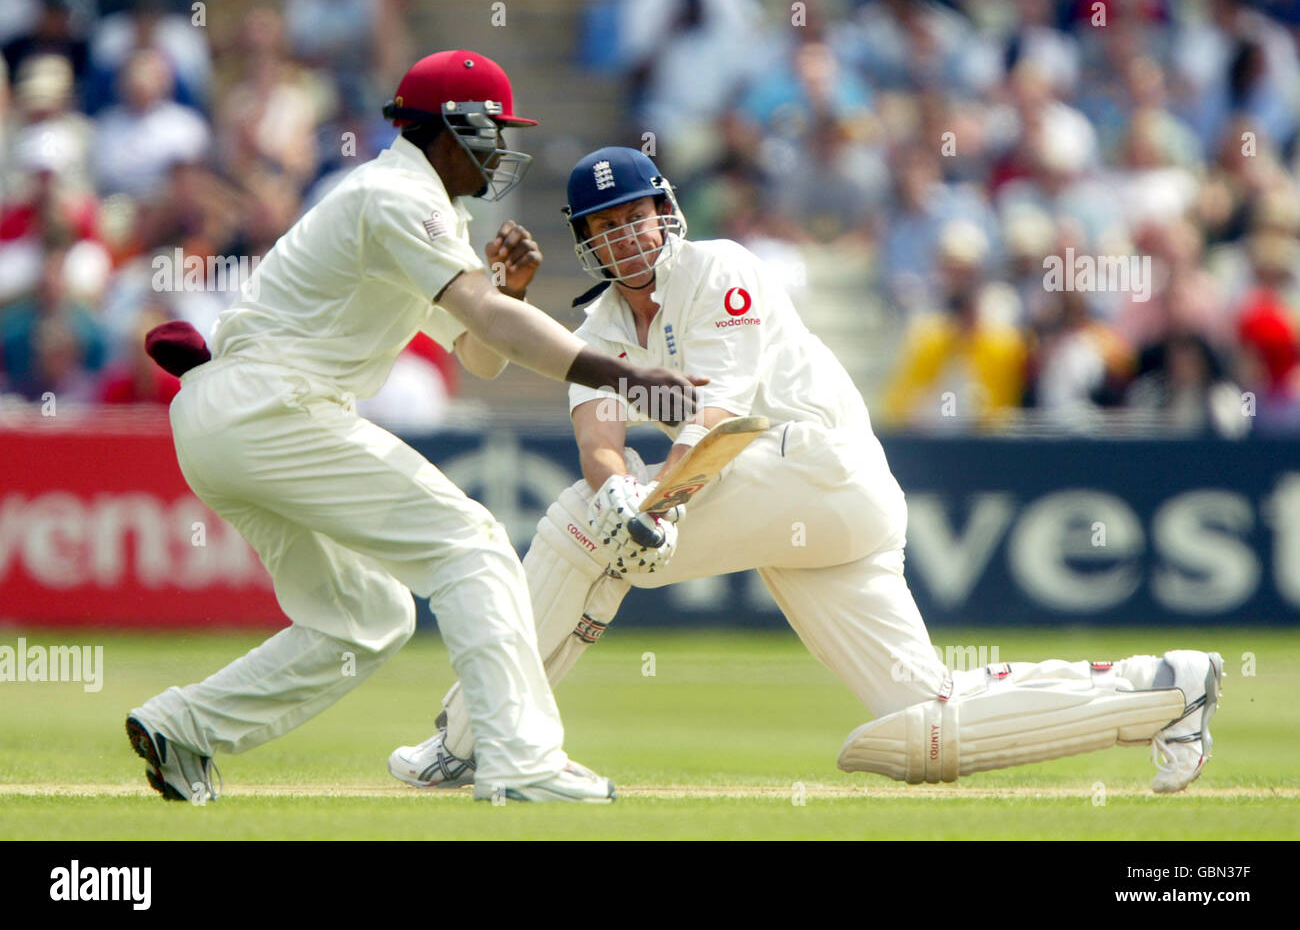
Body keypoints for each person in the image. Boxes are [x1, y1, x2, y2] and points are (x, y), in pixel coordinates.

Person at [389, 147, 1224, 795]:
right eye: (605, 226)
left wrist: (654, 507)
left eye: (637, 216)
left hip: (815, 468)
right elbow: (600, 437)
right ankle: (1163, 690)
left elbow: (723, 417)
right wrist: (622, 493)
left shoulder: (721, 270)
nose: (626, 235)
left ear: (666, 212)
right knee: (926, 723)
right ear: (588, 239)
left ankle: (475, 740)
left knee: (581, 527)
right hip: (810, 524)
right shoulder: (601, 323)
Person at [126, 53, 700, 806]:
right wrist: (627, 378)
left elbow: (477, 352)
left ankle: (185, 728)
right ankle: (521, 762)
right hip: (270, 404)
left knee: (366, 617)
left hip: (228, 419)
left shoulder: (415, 207)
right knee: (472, 542)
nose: (500, 151)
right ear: (453, 130)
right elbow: (491, 322)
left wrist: (508, 289)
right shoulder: (398, 196)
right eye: (492, 133)